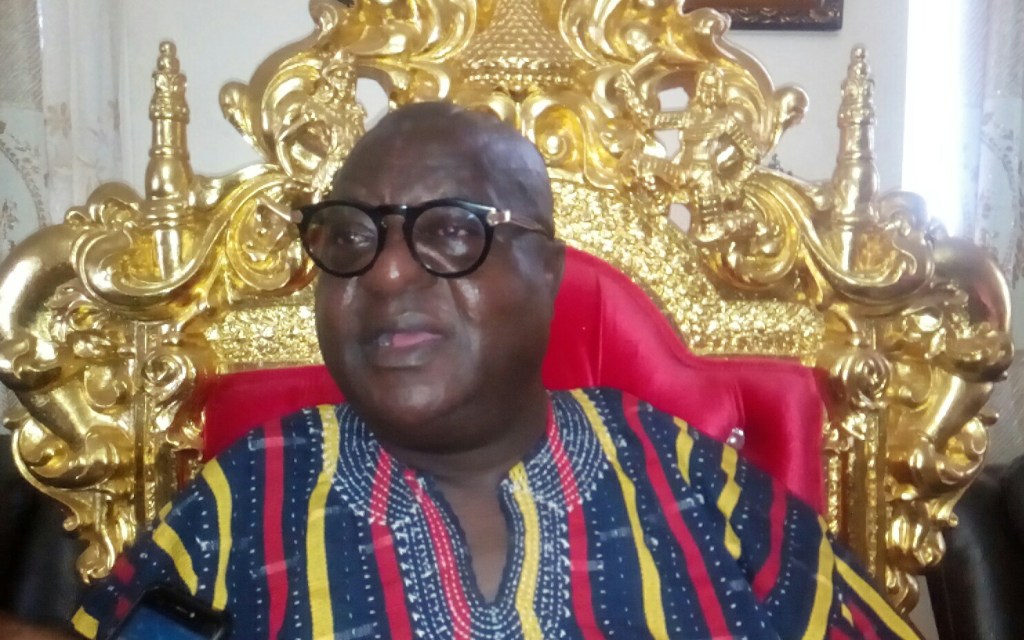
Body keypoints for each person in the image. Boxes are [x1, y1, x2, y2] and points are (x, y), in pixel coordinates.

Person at [69, 102, 918, 639]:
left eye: (450, 230)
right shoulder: (249, 489)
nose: (385, 274)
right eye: (351, 236)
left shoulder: (696, 487)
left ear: (547, 272)